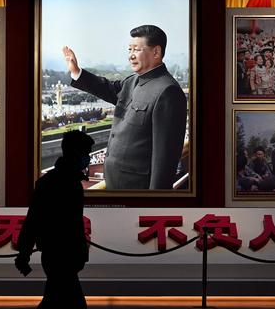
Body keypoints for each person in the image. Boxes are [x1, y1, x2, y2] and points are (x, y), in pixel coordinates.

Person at [63, 25, 187, 189]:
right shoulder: (132, 81)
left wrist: (156, 201)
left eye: (136, 49)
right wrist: (77, 72)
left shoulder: (168, 91)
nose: (131, 56)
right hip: (114, 184)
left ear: (156, 52)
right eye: (129, 50)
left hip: (137, 190)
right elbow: (106, 87)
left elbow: (164, 159)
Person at [15, 130, 95, 309]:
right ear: (76, 153)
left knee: (56, 307)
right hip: (62, 257)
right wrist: (23, 254)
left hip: (57, 256)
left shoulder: (53, 181)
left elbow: (33, 219)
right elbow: (35, 220)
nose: (88, 157)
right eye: (86, 152)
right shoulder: (65, 183)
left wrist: (24, 253)